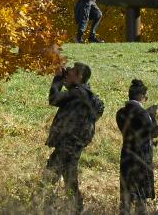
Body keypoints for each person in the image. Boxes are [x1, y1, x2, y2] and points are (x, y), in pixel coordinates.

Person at [44, 62, 104, 214]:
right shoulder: (83, 93)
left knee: (50, 175)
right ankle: (74, 209)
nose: (67, 73)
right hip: (73, 144)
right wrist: (65, 79)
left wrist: (57, 80)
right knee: (68, 180)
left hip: (68, 144)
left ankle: (45, 207)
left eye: (71, 72)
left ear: (79, 76)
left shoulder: (78, 93)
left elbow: (54, 99)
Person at [116, 79, 158, 214]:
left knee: (126, 198)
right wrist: (152, 116)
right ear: (141, 96)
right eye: (146, 96)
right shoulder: (143, 114)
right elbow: (153, 132)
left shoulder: (120, 113)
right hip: (141, 158)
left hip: (126, 156)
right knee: (141, 199)